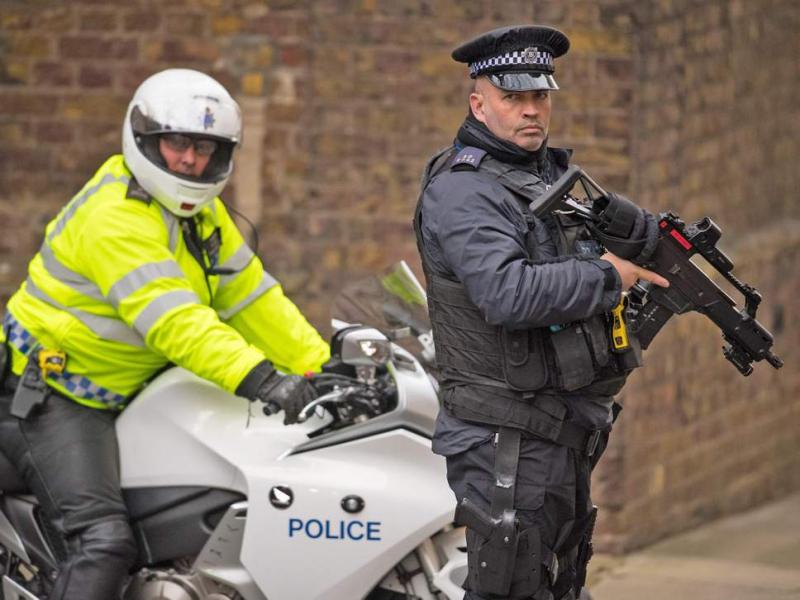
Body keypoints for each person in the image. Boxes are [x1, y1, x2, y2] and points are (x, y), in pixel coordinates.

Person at [0, 69, 329, 599]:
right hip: (52, 394)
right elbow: (174, 320)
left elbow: (253, 299)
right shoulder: (115, 217)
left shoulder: (199, 215)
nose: (190, 161)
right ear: (145, 138)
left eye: (205, 148)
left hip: (131, 390)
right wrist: (263, 379)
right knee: (103, 542)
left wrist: (323, 368)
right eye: (177, 144)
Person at [413, 26, 669, 600]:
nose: (532, 111)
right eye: (514, 98)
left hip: (557, 434)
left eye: (540, 97)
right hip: (504, 436)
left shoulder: (541, 175)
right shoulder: (464, 190)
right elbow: (505, 293)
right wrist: (607, 276)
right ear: (478, 102)